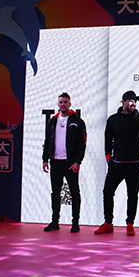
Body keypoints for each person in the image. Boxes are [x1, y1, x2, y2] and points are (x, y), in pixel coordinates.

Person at [95, 91, 139, 236]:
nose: (133, 103)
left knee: (132, 195)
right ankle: (108, 223)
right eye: (130, 100)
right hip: (116, 164)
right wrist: (108, 157)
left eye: (135, 101)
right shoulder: (113, 119)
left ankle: (130, 224)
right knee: (107, 192)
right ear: (123, 102)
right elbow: (108, 139)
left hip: (134, 165)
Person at [42, 92, 87, 233]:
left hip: (70, 163)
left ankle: (75, 223)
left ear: (70, 104)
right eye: (61, 102)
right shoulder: (52, 121)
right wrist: (45, 159)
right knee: (55, 193)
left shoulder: (77, 121)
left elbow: (82, 144)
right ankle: (55, 222)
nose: (63, 104)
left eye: (65, 102)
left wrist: (78, 162)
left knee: (74, 192)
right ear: (58, 104)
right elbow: (47, 141)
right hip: (55, 162)